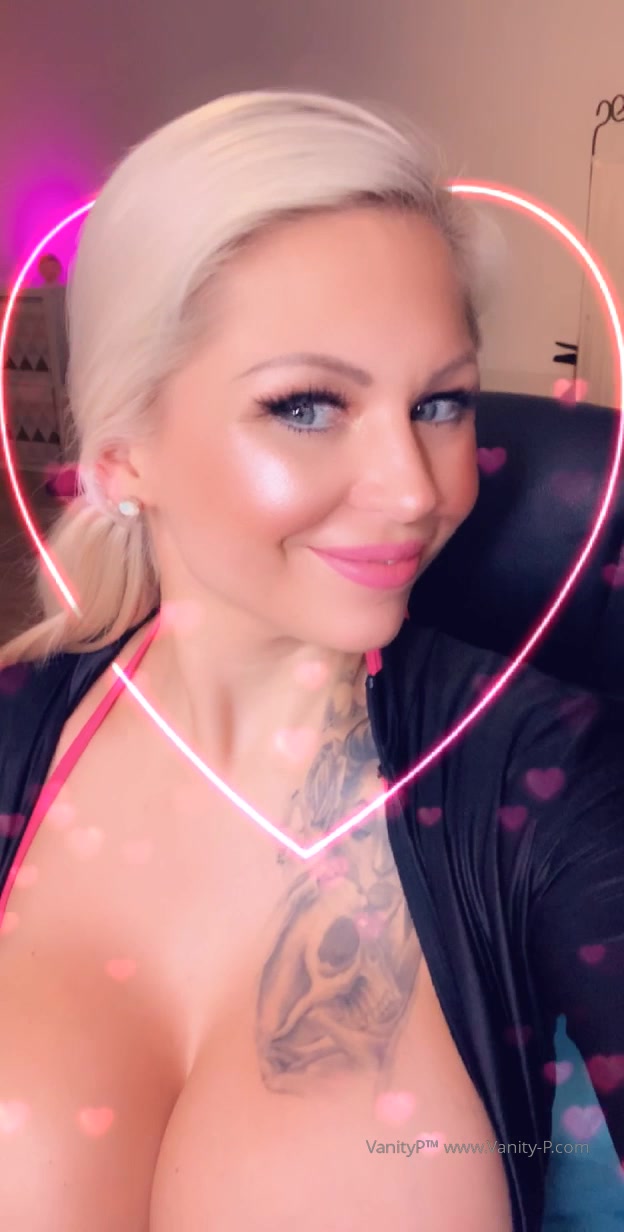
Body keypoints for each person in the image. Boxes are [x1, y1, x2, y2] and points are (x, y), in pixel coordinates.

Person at [0, 88, 623, 1232]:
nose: (414, 488)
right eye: (305, 405)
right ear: (124, 450)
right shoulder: (11, 736)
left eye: (440, 401)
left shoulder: (551, 775)